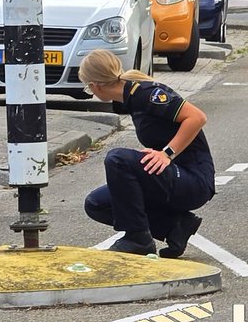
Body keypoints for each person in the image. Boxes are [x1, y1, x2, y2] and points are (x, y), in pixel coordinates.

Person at [79, 49, 215, 258]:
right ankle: (175, 227)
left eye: (88, 89)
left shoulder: (147, 94)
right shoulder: (129, 99)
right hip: (171, 176)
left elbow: (197, 117)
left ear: (95, 86)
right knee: (96, 204)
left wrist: (166, 154)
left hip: (194, 180)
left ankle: (138, 239)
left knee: (117, 160)